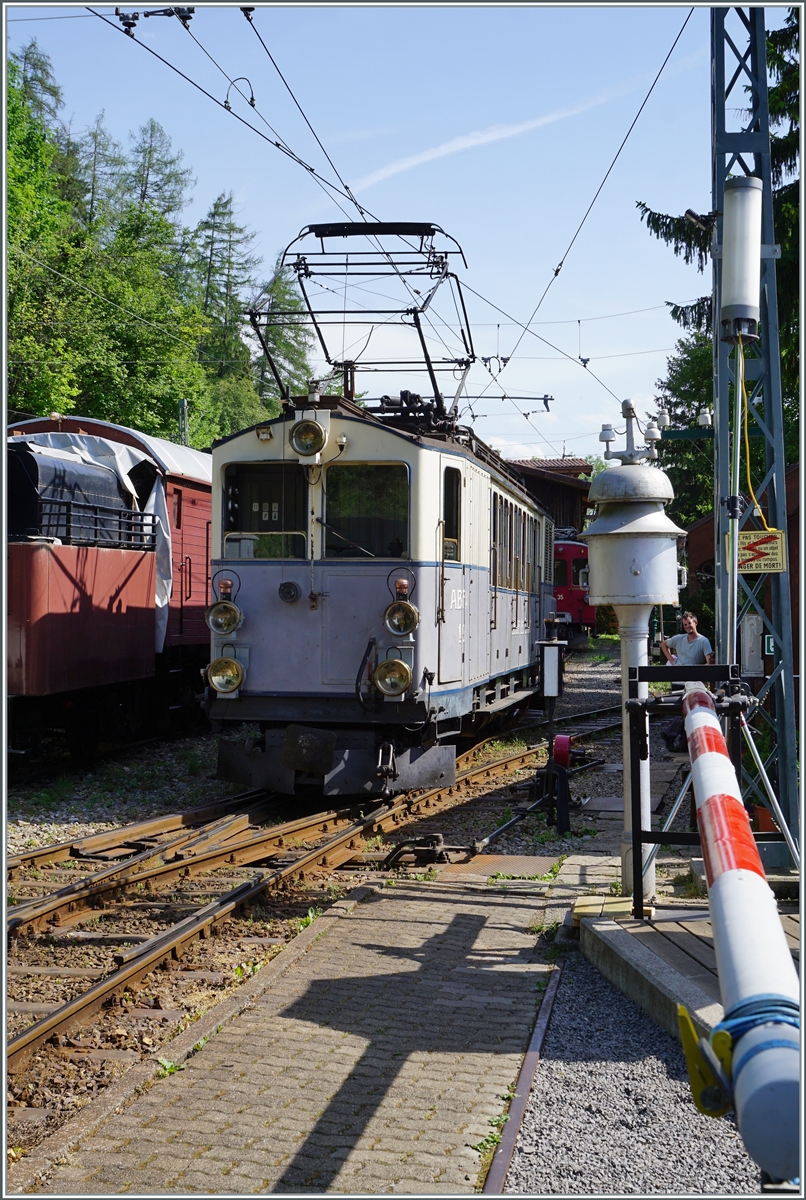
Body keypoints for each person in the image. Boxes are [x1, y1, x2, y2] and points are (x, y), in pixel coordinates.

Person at [660, 612, 715, 752]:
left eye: (689, 623)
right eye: (685, 625)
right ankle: (673, 735)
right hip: (679, 676)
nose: (687, 627)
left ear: (695, 623)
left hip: (694, 678)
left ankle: (680, 740)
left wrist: (705, 670)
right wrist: (672, 660)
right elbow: (664, 644)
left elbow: (709, 660)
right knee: (684, 708)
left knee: (687, 709)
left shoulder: (703, 641)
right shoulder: (679, 639)